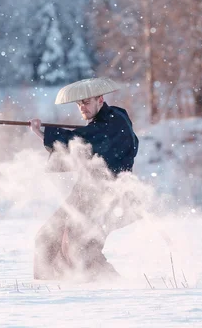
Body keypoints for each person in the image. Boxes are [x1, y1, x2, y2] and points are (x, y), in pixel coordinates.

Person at [29, 77, 139, 281]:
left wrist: (43, 134)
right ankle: (46, 292)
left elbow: (80, 141)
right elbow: (82, 144)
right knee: (45, 240)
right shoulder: (100, 126)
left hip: (109, 195)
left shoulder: (115, 122)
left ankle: (117, 289)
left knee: (80, 249)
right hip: (84, 192)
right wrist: (50, 136)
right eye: (79, 104)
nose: (82, 108)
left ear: (100, 99)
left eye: (86, 102)